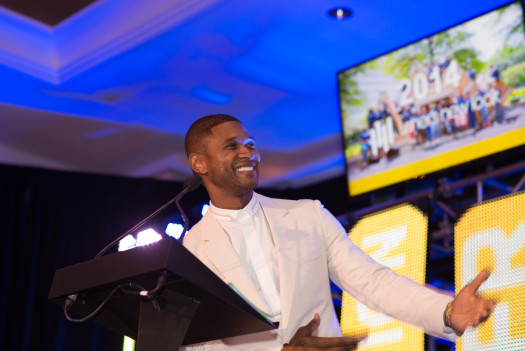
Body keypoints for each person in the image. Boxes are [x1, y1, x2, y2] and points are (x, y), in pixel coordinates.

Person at [182, 114, 495, 350]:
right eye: (231, 146)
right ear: (199, 163)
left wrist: (447, 312)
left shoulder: (307, 214)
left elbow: (373, 282)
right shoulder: (191, 251)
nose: (247, 153)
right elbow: (200, 345)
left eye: (251, 144)